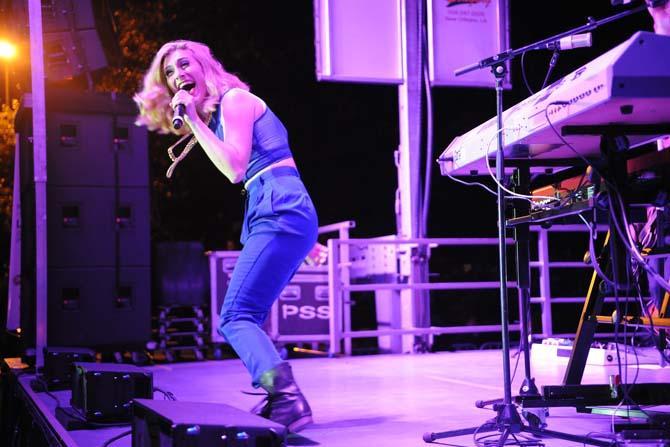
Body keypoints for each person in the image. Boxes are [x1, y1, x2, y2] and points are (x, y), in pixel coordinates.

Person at [134, 40, 318, 432]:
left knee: (235, 316)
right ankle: (280, 397)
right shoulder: (224, 113)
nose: (177, 75)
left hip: (277, 205)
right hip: (275, 205)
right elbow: (268, 166)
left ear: (205, 66)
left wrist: (196, 124)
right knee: (247, 313)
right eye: (169, 73)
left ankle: (288, 400)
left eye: (184, 64)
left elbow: (235, 168)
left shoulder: (234, 99)